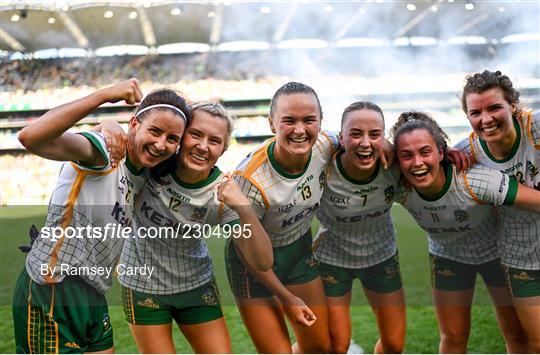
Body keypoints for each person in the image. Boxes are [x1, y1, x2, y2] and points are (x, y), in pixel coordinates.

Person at [12, 79, 190, 353]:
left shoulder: (144, 175)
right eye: (154, 131)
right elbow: (30, 137)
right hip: (54, 287)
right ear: (134, 124)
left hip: (94, 293)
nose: (160, 144)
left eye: (172, 139)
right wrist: (104, 96)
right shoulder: (104, 152)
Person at [117, 102, 273, 353]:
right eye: (196, 135)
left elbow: (263, 261)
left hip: (196, 285)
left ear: (223, 149)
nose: (202, 146)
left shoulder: (224, 193)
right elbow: (127, 136)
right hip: (142, 285)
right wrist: (108, 125)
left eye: (214, 140)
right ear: (181, 137)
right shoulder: (151, 165)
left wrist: (244, 208)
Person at [392, 111, 539, 353]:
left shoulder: (476, 180)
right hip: (447, 257)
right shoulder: (398, 186)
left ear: (441, 152)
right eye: (406, 156)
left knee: (516, 333)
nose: (417, 163)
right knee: (453, 337)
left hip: (496, 257)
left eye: (425, 152)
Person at [224, 82, 346, 353]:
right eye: (289, 120)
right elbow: (248, 251)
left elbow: (360, 139)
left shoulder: (326, 144)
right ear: (271, 123)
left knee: (319, 347)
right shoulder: (249, 180)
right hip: (251, 265)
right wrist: (287, 297)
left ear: (320, 121)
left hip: (297, 252)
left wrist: (384, 145)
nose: (300, 130)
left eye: (309, 120)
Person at [455, 70, 540, 353]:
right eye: (475, 112)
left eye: (494, 108)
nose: (486, 119)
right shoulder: (467, 153)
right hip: (521, 257)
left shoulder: (535, 128)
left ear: (512, 105)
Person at [314, 101, 406, 353]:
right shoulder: (322, 166)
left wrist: (450, 153)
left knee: (394, 344)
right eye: (356, 134)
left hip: (381, 256)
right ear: (341, 138)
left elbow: (431, 156)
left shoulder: (395, 166)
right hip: (332, 258)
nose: (365, 142)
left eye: (374, 134)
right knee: (336, 345)